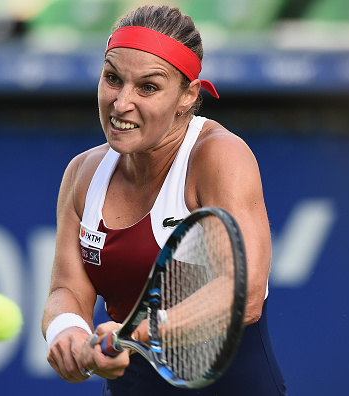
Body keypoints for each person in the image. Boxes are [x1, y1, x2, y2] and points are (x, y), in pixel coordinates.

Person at [42, 4, 287, 396]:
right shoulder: (81, 174)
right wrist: (67, 332)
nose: (121, 103)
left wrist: (139, 331)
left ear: (188, 95)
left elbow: (246, 292)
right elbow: (66, 289)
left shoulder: (219, 157)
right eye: (112, 78)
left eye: (148, 87)